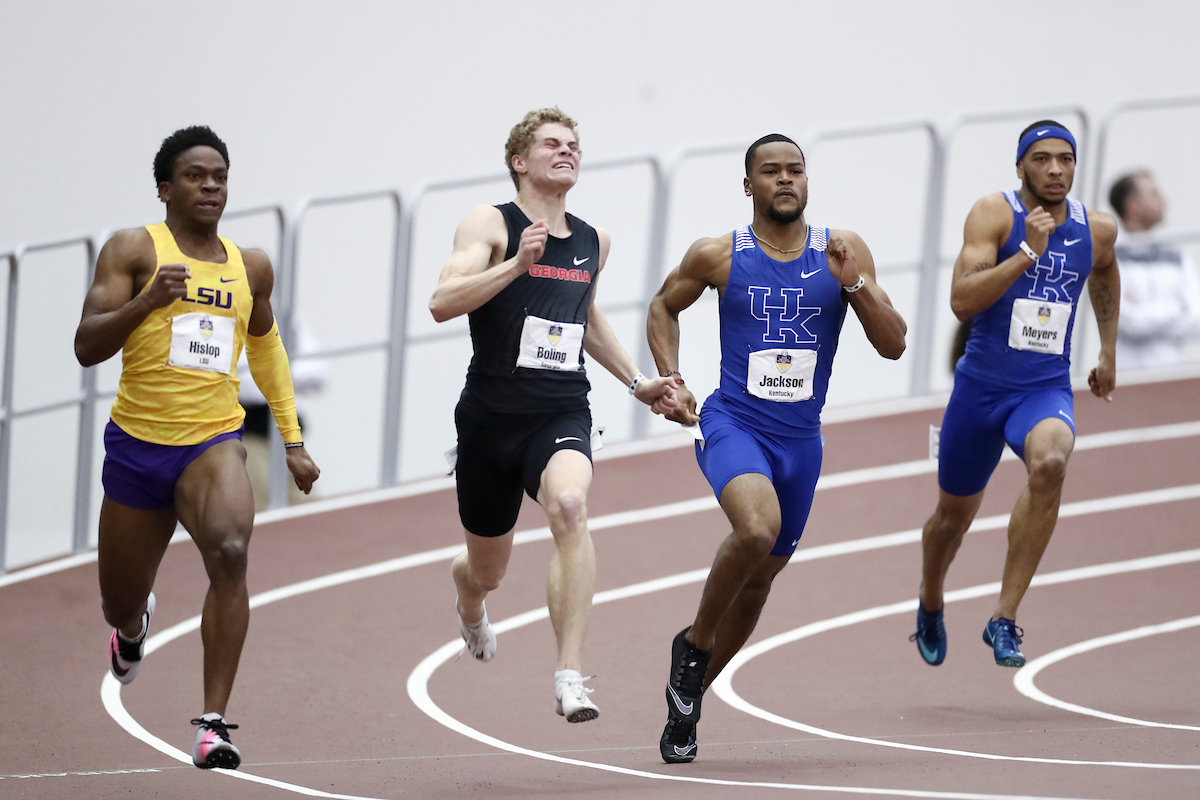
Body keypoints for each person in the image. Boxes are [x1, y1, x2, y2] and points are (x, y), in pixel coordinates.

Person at [646, 133, 907, 763]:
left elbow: (894, 343)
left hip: (801, 440)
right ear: (749, 186)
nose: (785, 180)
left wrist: (857, 286)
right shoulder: (719, 255)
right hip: (734, 422)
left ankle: (688, 702)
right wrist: (673, 379)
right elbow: (662, 306)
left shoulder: (843, 251)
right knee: (757, 529)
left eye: (796, 170)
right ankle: (695, 645)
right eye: (771, 171)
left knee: (760, 584)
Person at [74, 126, 320, 769]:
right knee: (119, 600)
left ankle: (212, 725)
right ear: (165, 188)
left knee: (233, 552)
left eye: (219, 175)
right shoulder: (133, 249)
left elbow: (266, 351)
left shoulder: (251, 266)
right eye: (194, 175)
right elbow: (86, 345)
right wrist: (150, 300)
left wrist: (291, 439)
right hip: (137, 445)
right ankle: (132, 629)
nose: (211, 185)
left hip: (211, 440)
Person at [428, 108, 677, 723]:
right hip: (489, 420)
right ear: (520, 161)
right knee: (487, 567)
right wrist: (514, 264)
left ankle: (570, 675)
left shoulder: (595, 241)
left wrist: (639, 381)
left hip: (560, 408)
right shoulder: (489, 222)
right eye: (551, 144)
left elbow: (585, 320)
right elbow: (440, 303)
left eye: (574, 145)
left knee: (570, 506)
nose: (567, 152)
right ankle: (468, 602)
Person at [911, 120, 1119, 671]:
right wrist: (1028, 250)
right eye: (1043, 159)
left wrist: (1107, 350)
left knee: (1051, 462)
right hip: (979, 392)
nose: (1056, 169)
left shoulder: (1097, 229)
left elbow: (1104, 274)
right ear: (1021, 166)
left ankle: (1004, 617)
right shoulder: (994, 214)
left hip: (1044, 388)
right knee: (950, 521)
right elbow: (961, 300)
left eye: (1066, 159)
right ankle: (931, 598)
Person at [1108, 171, 1200, 370]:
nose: (1164, 202)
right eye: (1154, 194)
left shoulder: (1177, 257)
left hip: (1172, 377)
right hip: (1127, 380)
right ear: (1132, 205)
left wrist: (1145, 313)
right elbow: (1127, 322)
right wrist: (1177, 306)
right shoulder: (1107, 260)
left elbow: (1196, 320)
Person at [237, 316, 327, 511]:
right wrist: (283, 376)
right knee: (258, 513)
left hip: (292, 443)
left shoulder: (290, 317)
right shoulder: (234, 313)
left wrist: (273, 375)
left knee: (308, 511)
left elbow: (319, 373)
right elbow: (245, 383)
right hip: (251, 439)